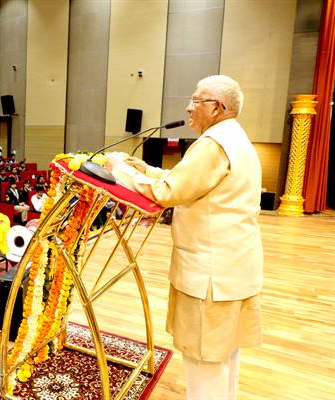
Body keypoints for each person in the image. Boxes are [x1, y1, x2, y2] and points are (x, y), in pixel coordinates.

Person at [104, 75, 262, 400]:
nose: (189, 108)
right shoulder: (235, 137)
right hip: (234, 267)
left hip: (211, 274)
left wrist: (118, 170)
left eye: (196, 100)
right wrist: (145, 169)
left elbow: (169, 191)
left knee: (204, 361)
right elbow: (189, 181)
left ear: (217, 107)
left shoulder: (213, 143)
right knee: (224, 356)